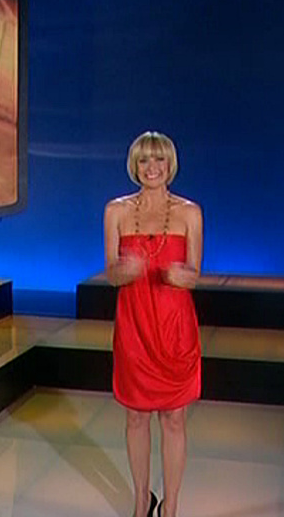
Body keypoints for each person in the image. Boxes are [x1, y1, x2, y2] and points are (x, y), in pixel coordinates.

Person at [103, 131, 202, 517]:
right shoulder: (116, 211)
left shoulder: (190, 213)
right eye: (144, 160)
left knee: (174, 418)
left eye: (159, 159)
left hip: (174, 327)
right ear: (134, 165)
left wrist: (182, 276)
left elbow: (195, 274)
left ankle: (170, 507)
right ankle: (142, 501)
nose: (152, 167)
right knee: (135, 415)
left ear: (170, 165)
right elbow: (111, 273)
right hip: (134, 327)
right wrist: (123, 271)